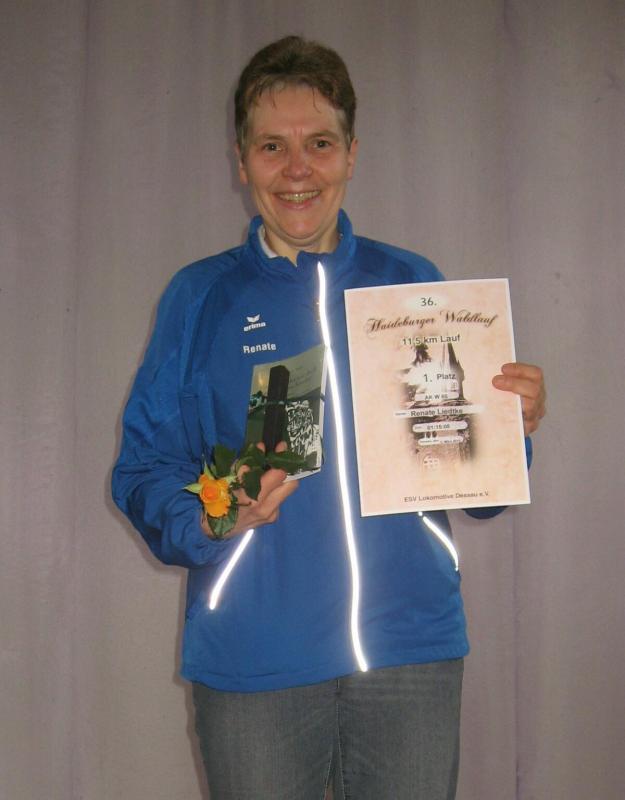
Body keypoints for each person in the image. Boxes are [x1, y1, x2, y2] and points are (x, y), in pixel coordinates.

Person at [112, 36, 546, 800]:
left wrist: (507, 425)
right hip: (254, 656)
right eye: (271, 147)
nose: (296, 169)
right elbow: (144, 468)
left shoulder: (409, 283)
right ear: (241, 162)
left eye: (318, 143)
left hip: (408, 648)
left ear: (350, 154)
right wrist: (213, 513)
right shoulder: (200, 297)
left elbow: (476, 491)